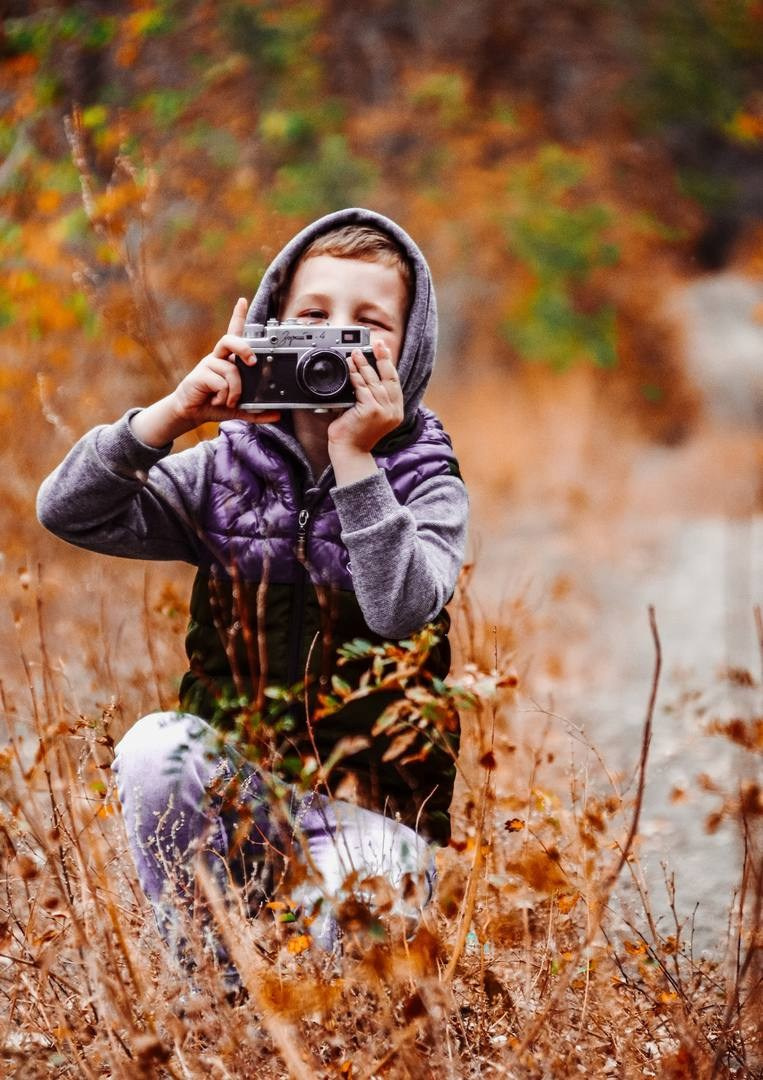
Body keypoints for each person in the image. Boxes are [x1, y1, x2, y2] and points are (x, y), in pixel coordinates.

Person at [37, 207, 469, 958]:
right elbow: (68, 512)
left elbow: (400, 610)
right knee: (153, 746)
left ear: (411, 350)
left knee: (356, 941)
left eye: (368, 324)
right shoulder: (223, 471)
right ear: (269, 329)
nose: (336, 340)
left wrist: (356, 461)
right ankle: (208, 980)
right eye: (313, 316)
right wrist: (170, 416)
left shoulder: (425, 479)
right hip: (240, 797)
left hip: (370, 818)